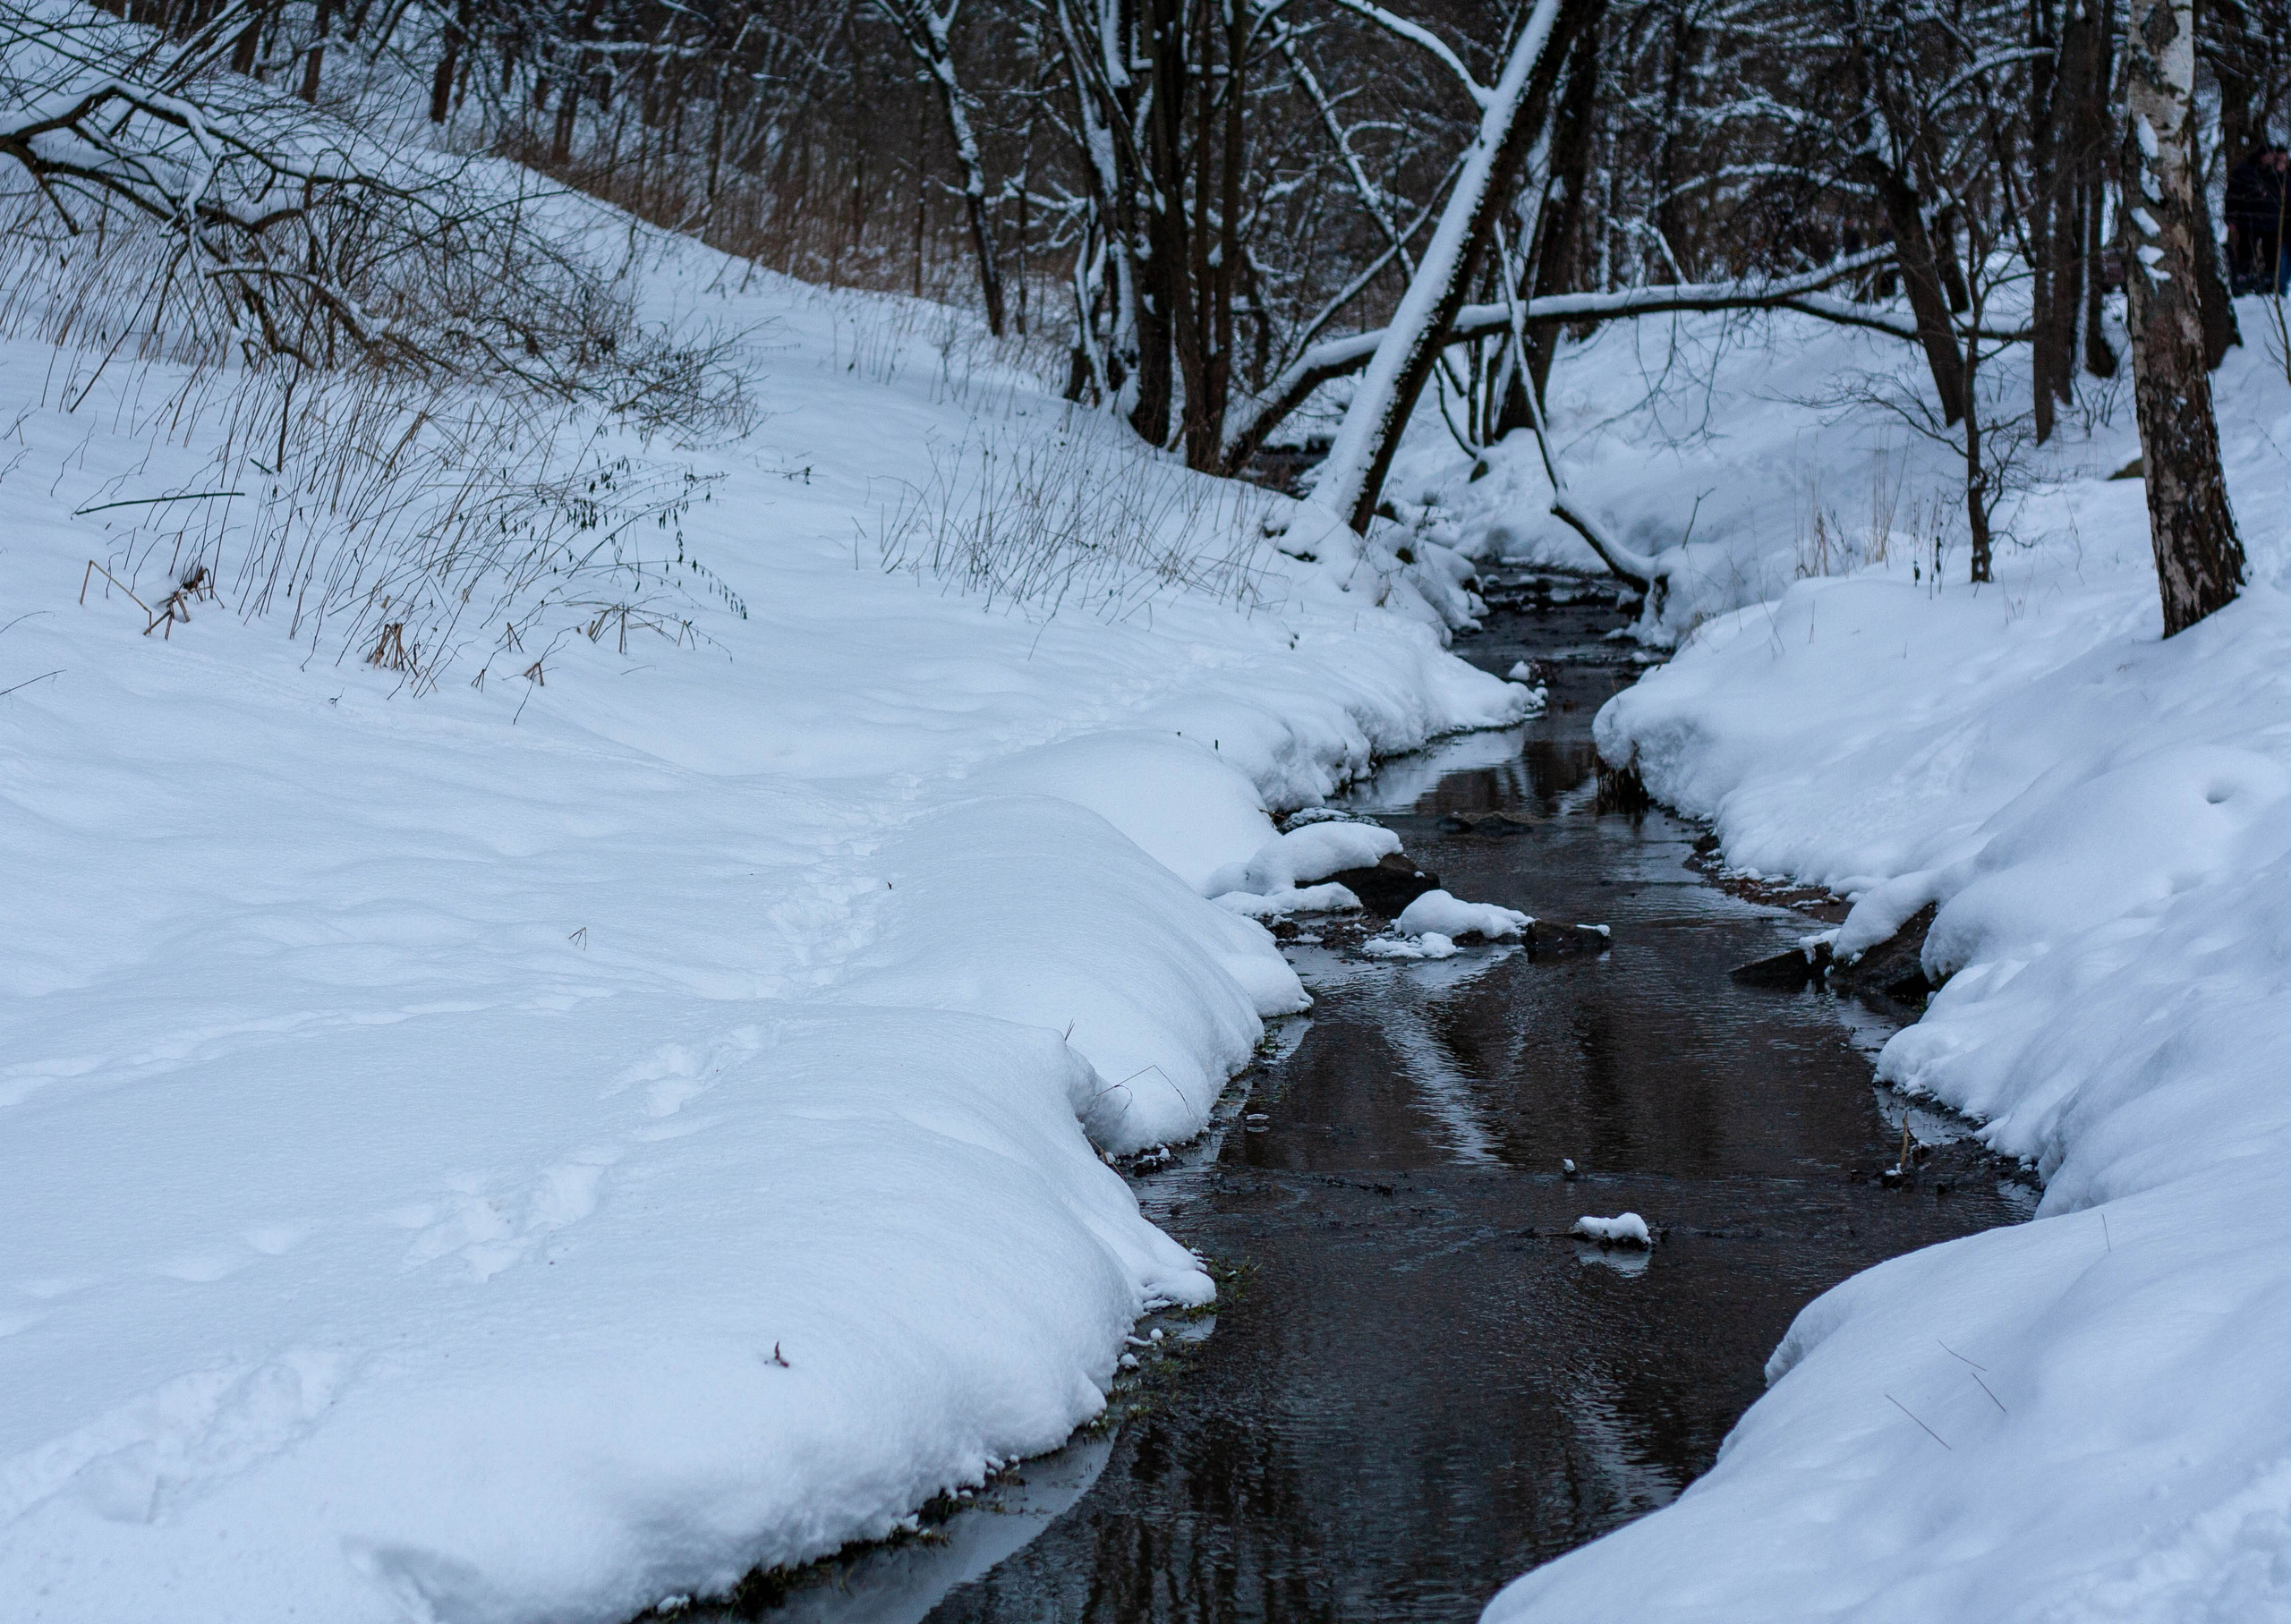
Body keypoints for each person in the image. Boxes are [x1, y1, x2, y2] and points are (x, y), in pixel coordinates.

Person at [2226, 145, 2291, 297]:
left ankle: (2269, 285)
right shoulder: (2246, 171)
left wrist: (2281, 173)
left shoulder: (2275, 173)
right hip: (2248, 221)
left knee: (2272, 256)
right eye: (2270, 155)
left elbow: (2284, 193)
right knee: (2246, 253)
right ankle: (2242, 283)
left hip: (2271, 222)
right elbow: (2232, 195)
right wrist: (2231, 217)